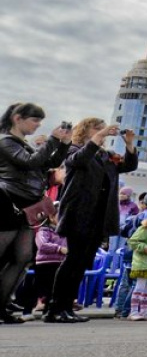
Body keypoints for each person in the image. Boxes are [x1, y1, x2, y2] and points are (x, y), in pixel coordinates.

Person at [46, 119, 137, 324]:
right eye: (97, 128)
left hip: (99, 215)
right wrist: (100, 136)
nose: (102, 131)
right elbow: (78, 160)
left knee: (82, 263)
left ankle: (67, 306)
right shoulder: (74, 149)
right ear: (85, 130)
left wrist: (129, 144)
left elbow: (128, 165)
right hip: (79, 212)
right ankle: (55, 307)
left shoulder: (104, 155)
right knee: (72, 260)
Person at [0, 104, 70, 325]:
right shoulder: (5, 141)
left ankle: (1, 307)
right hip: (8, 203)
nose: (38, 124)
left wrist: (63, 145)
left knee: (22, 258)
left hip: (25, 207)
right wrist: (52, 139)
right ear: (17, 118)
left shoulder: (22, 144)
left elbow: (46, 164)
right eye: (34, 120)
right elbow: (29, 162)